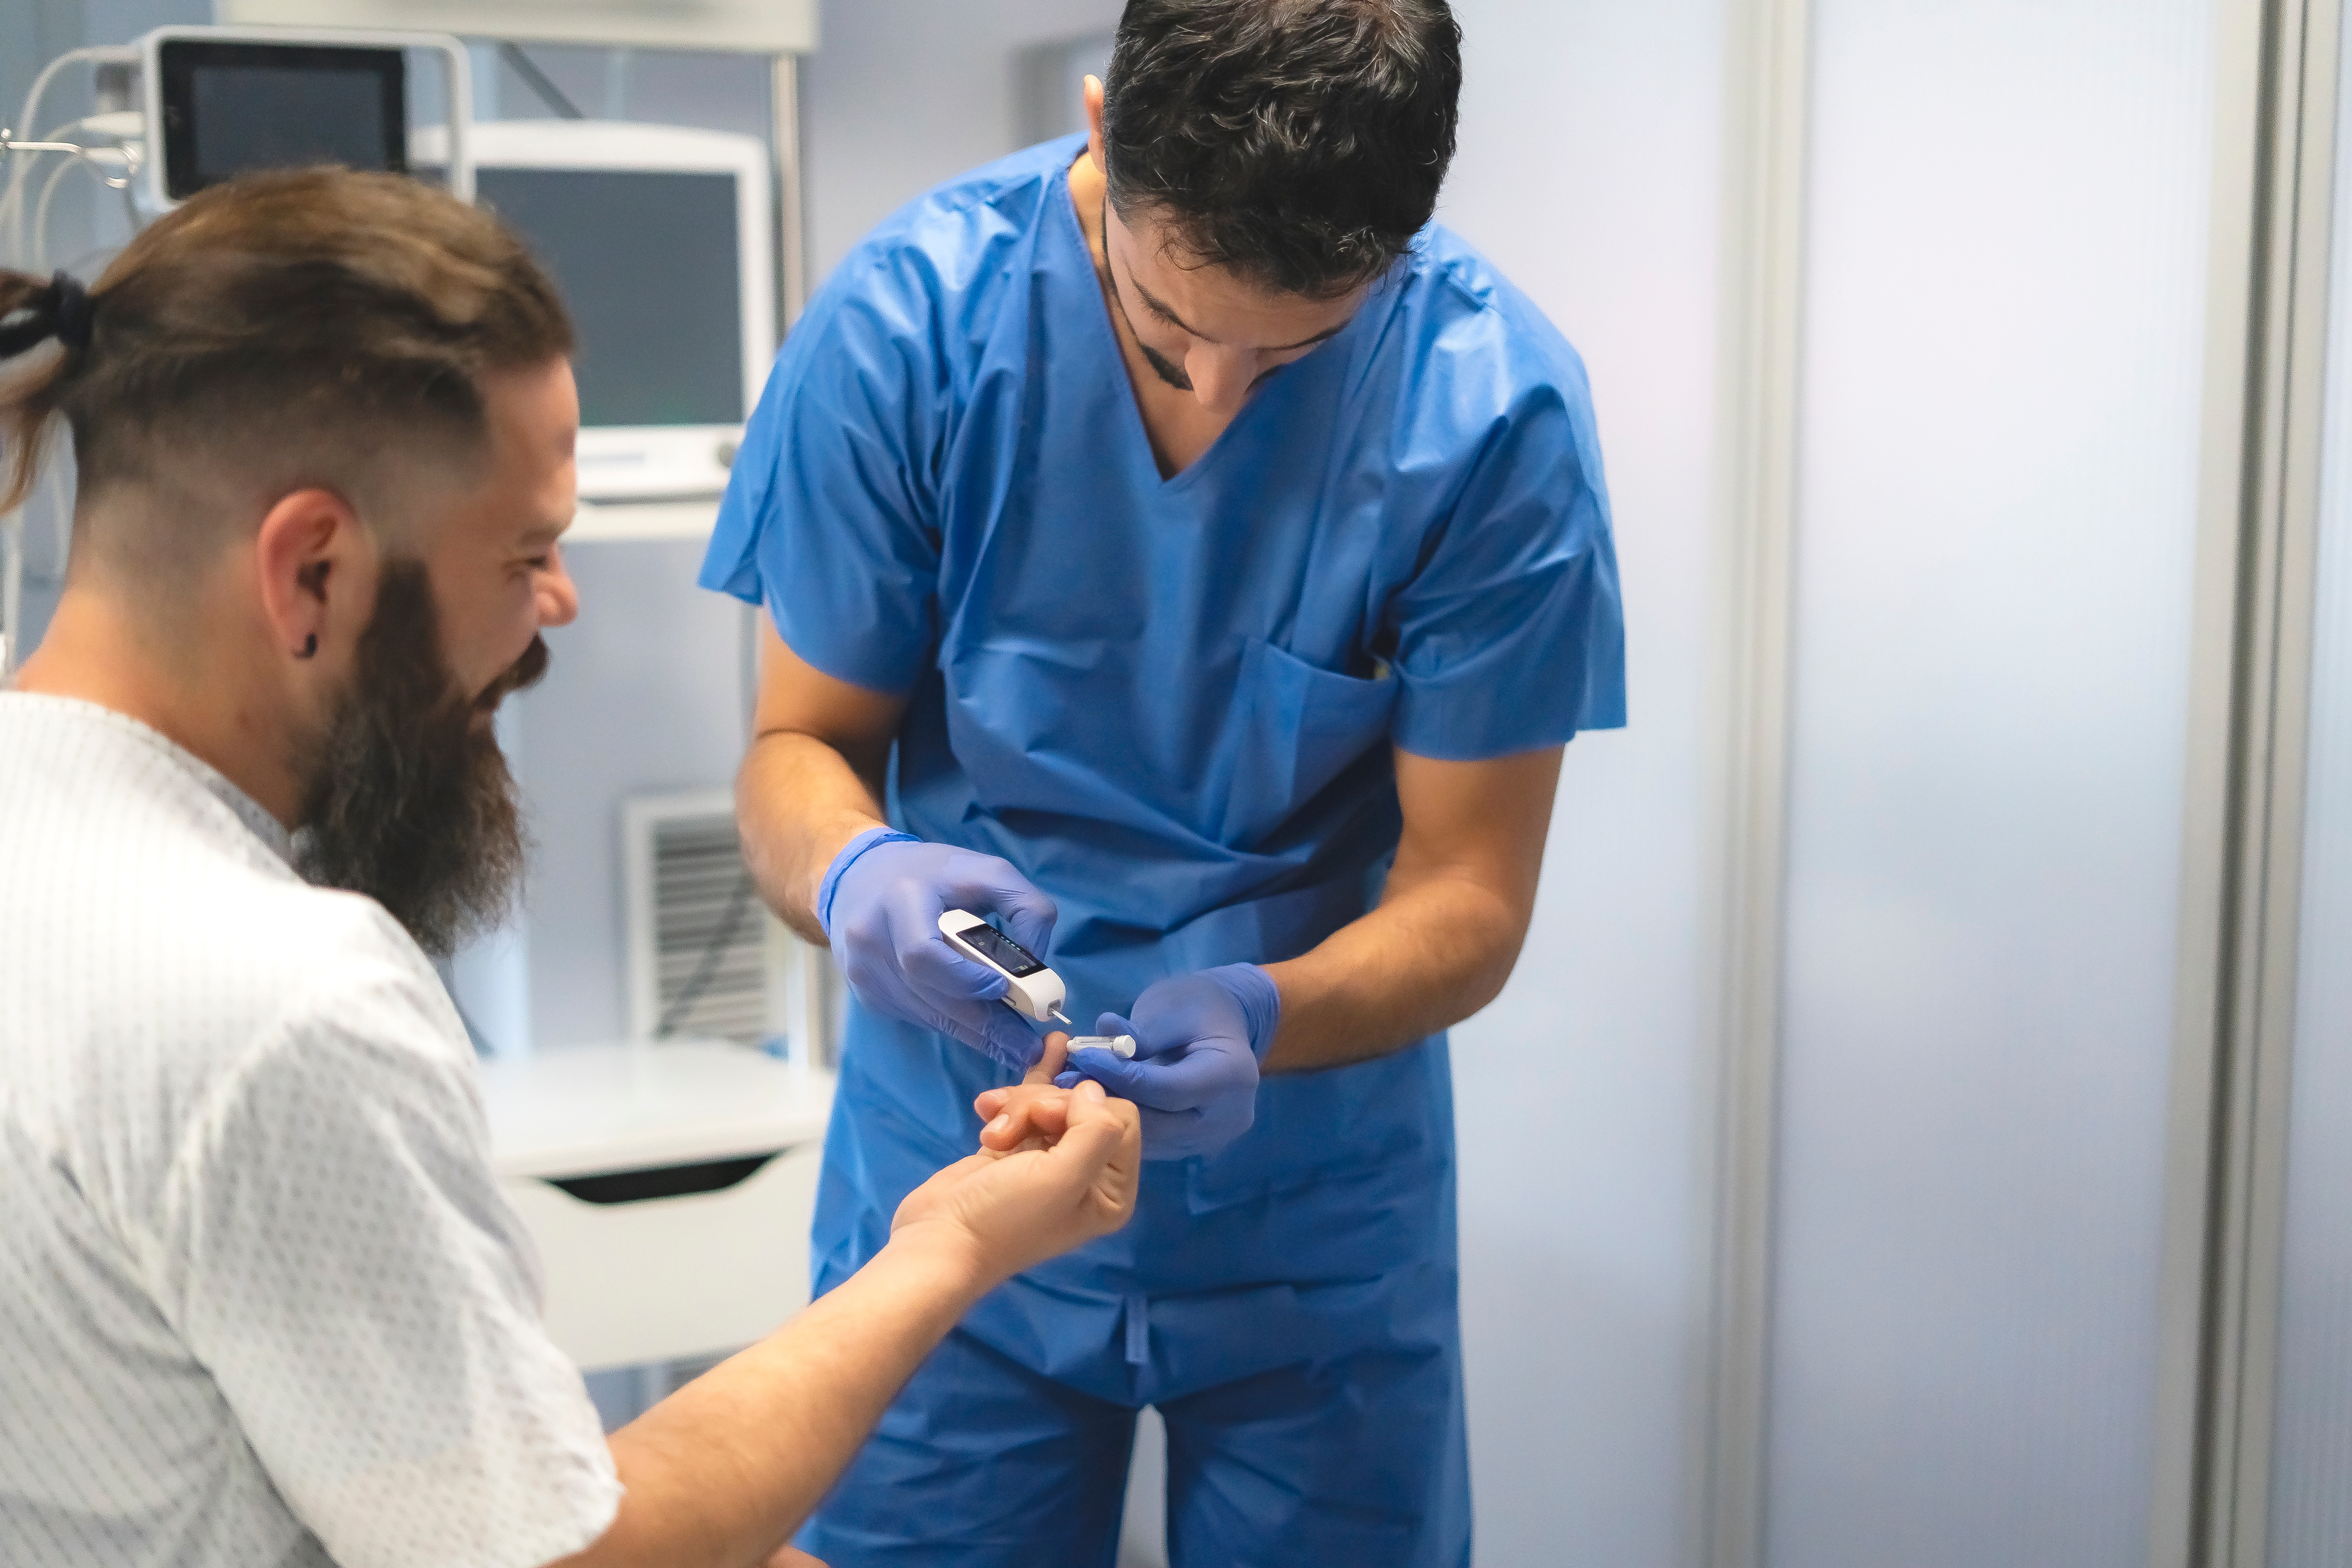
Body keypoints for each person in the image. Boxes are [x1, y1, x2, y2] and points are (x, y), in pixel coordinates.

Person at [0, 169, 1140, 1568]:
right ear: (310, 571)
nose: (560, 605)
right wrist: (949, 1249)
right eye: (527, 554)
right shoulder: (279, 1002)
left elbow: (420, 1491)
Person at [701, 0, 1625, 1562]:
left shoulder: (1492, 414)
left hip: (1315, 1214)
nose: (1216, 390)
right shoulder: (911, 330)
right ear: (1099, 125)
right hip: (957, 1173)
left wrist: (1271, 1011)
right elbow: (800, 753)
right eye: (1159, 329)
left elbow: (1471, 892)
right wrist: (858, 874)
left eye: (1299, 352)